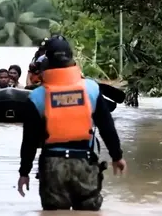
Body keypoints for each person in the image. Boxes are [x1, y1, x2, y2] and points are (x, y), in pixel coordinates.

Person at [16, 35, 126, 211]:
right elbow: (107, 127)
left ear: (46, 61)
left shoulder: (36, 97)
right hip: (85, 162)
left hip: (52, 166)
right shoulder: (91, 88)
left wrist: (24, 172)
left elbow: (29, 141)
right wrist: (117, 156)